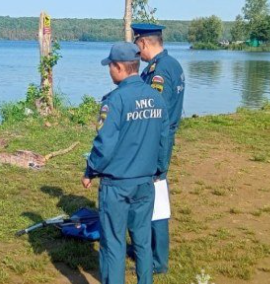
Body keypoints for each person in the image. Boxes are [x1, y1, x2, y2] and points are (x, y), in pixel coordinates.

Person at [82, 42, 170, 284]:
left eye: (110, 66)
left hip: (117, 185)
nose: (109, 70)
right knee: (142, 241)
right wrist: (160, 170)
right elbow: (164, 141)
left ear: (119, 67)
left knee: (113, 242)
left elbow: (104, 144)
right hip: (145, 183)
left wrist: (90, 170)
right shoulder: (157, 98)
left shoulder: (115, 101)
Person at [132, 23, 186, 274]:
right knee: (151, 196)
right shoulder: (172, 64)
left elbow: (153, 113)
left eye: (137, 45)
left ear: (143, 42)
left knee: (154, 199)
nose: (137, 51)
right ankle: (148, 249)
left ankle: (157, 261)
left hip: (155, 142)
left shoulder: (159, 71)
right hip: (161, 139)